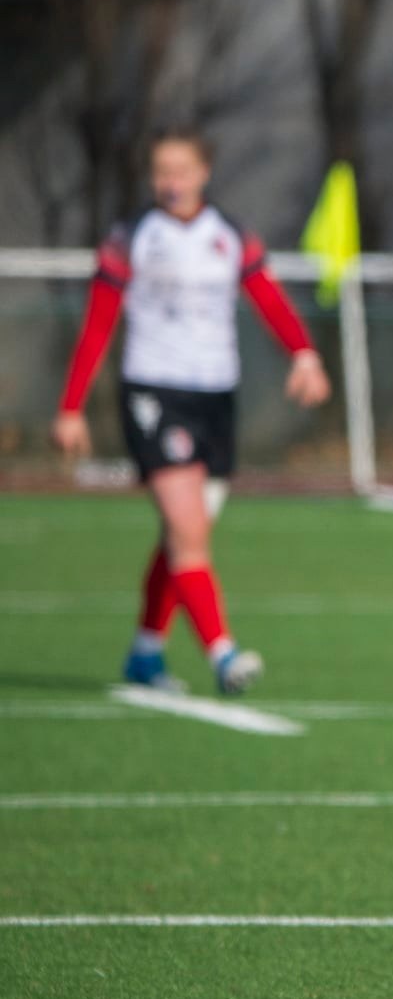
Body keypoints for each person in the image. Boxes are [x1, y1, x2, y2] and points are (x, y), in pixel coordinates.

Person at [50, 128, 331, 695]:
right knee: (188, 529)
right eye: (161, 172)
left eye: (180, 170)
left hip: (215, 398)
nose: (170, 182)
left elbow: (268, 297)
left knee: (184, 540)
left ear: (204, 172)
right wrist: (71, 405)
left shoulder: (229, 236)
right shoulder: (133, 238)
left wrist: (303, 354)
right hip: (154, 391)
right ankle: (223, 654)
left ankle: (146, 652)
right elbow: (99, 323)